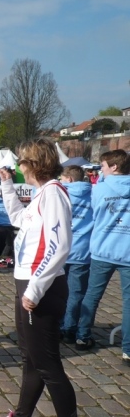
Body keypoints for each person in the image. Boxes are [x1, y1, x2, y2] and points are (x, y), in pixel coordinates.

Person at [0, 138, 76, 417]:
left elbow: (60, 244)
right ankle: (22, 413)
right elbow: (19, 219)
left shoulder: (53, 193)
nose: (19, 166)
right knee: (31, 359)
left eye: (21, 161)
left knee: (47, 365)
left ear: (33, 163)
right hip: (28, 280)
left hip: (41, 285)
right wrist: (7, 185)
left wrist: (35, 289)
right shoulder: (42, 193)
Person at [75, 150, 130, 364]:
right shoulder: (100, 186)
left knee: (92, 295)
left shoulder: (99, 189)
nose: (101, 170)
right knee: (128, 302)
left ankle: (82, 336)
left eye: (103, 166)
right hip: (127, 251)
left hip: (103, 248)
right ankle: (128, 349)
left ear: (114, 167)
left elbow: (95, 213)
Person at [58, 165, 93, 344]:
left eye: (62, 178)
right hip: (82, 250)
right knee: (76, 293)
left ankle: (57, 325)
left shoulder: (60, 193)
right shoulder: (92, 193)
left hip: (61, 248)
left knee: (57, 291)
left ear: (69, 179)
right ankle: (70, 328)